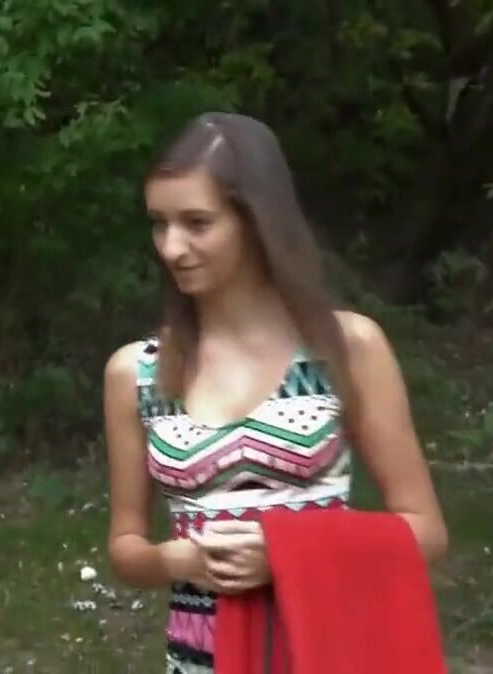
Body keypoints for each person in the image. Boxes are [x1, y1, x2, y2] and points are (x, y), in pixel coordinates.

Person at [102, 113, 448, 673]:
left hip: (327, 650)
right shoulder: (137, 373)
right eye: (159, 224)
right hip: (201, 658)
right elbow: (126, 547)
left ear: (257, 221)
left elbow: (425, 531)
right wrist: (176, 560)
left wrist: (283, 556)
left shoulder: (346, 349)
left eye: (197, 223)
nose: (171, 247)